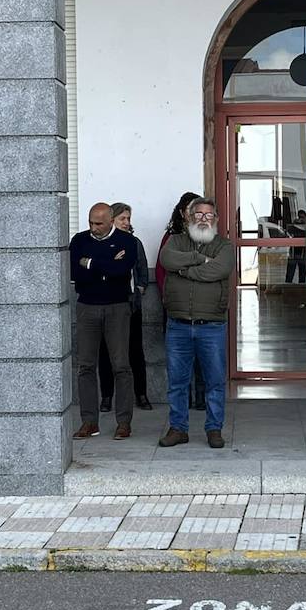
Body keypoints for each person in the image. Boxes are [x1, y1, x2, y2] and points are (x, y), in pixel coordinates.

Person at [158, 197, 232, 448]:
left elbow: (218, 271)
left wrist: (184, 269)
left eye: (208, 215)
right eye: (198, 214)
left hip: (211, 326)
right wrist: (198, 259)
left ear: (216, 220)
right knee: (177, 382)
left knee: (214, 381)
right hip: (178, 324)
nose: (203, 218)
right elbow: (167, 260)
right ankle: (178, 429)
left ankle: (214, 429)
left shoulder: (225, 246)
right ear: (189, 218)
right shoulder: (174, 241)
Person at [71, 202, 138, 439]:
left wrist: (90, 263)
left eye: (98, 223)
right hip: (87, 306)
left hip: (117, 307)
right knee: (86, 366)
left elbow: (122, 271)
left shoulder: (127, 241)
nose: (93, 227)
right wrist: (106, 264)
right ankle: (89, 422)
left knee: (121, 365)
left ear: (111, 221)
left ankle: (124, 422)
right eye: (90, 222)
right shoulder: (79, 241)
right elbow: (75, 272)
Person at [99, 202, 153, 413]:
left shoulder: (134, 242)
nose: (127, 222)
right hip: (105, 305)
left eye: (128, 218)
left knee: (135, 352)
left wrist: (139, 288)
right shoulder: (101, 243)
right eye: (123, 218)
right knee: (105, 352)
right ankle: (106, 396)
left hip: (130, 306)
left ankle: (141, 394)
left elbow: (142, 268)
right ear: (111, 220)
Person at [157, 191, 206, 411]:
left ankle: (201, 398)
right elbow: (162, 271)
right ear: (181, 213)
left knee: (204, 355)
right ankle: (183, 400)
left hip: (204, 306)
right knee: (180, 358)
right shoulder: (171, 238)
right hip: (178, 306)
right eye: (190, 210)